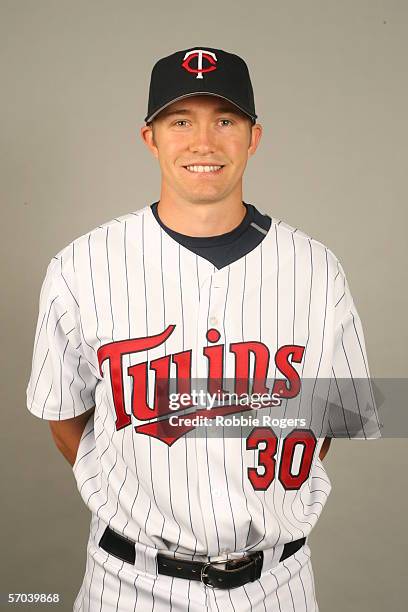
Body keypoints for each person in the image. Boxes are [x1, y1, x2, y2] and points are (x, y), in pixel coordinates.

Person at [26, 46, 381, 611]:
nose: (204, 143)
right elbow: (64, 417)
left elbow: (333, 419)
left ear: (254, 137)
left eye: (225, 120)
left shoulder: (318, 269)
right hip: (128, 584)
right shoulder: (81, 266)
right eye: (181, 121)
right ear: (151, 138)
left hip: (276, 586)